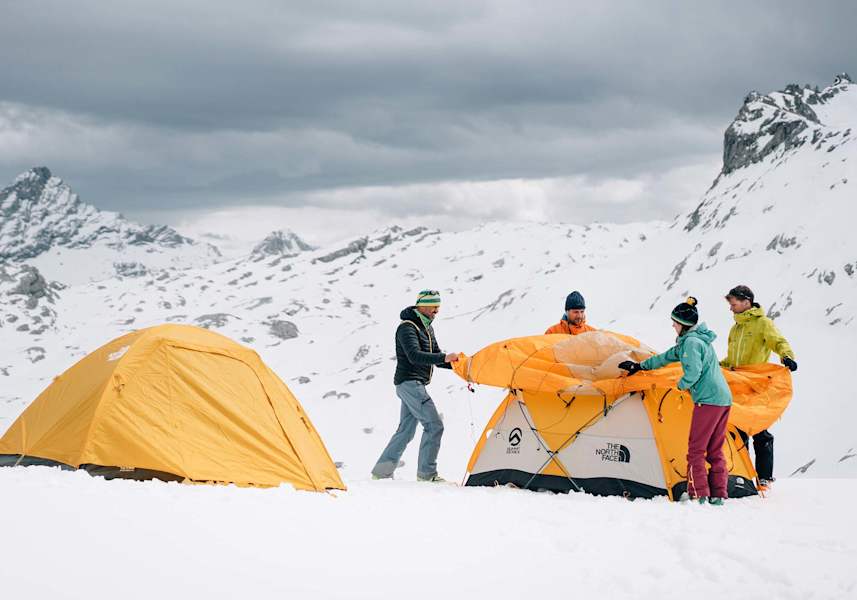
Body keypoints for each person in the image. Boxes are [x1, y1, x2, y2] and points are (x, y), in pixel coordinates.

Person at [619, 297, 732, 505]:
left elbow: (693, 372)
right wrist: (639, 366)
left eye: (675, 323)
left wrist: (680, 386)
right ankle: (718, 494)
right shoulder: (697, 340)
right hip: (723, 400)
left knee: (696, 449)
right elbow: (665, 357)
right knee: (715, 449)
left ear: (684, 325)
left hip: (707, 401)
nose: (673, 326)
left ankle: (698, 494)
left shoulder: (691, 343)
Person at [371, 290, 460, 482]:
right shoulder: (407, 327)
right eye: (434, 306)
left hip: (413, 384)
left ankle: (380, 473)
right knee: (434, 425)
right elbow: (414, 356)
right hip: (410, 383)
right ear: (422, 306)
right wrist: (445, 357)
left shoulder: (427, 328)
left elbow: (436, 357)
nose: (437, 310)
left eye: (438, 306)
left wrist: (460, 366)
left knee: (406, 431)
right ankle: (427, 474)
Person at [721, 285, 797, 491]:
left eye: (733, 303)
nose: (730, 307)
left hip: (755, 385)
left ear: (746, 302)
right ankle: (743, 476)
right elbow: (732, 359)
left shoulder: (763, 323)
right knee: (738, 431)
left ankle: (764, 478)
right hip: (737, 385)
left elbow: (778, 341)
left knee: (759, 430)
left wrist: (787, 356)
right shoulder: (735, 329)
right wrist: (717, 366)